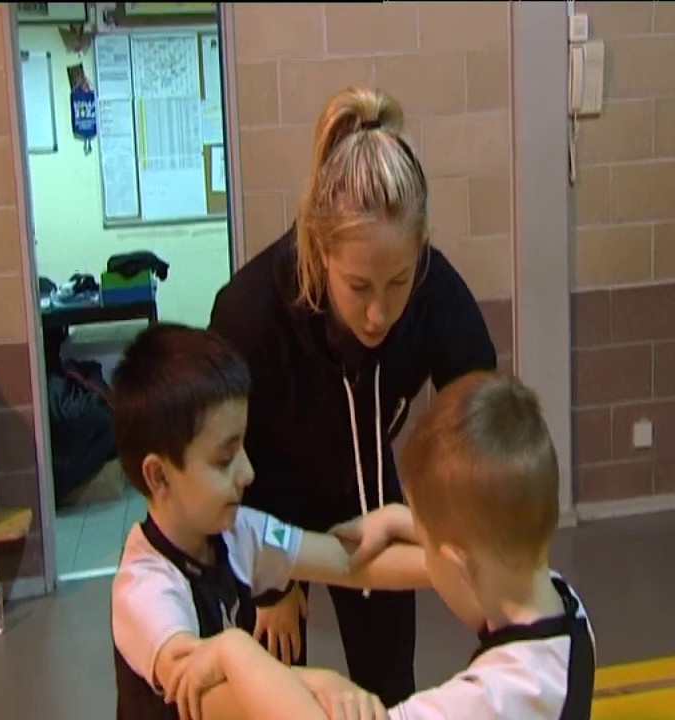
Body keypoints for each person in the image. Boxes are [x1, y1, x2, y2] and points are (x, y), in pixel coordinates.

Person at [207, 86, 497, 705]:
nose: (378, 312)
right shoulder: (249, 313)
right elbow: (220, 460)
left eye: (397, 282)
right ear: (319, 248)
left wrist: (463, 528)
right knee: (275, 688)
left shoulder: (435, 291)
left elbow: (483, 420)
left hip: (368, 493)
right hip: (268, 505)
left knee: (389, 682)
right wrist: (270, 584)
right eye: (358, 284)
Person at [166, 370, 597, 720]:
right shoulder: (563, 608)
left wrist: (235, 650)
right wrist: (402, 520)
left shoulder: (491, 700)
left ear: (459, 564)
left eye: (426, 546)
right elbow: (490, 542)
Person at [108, 322, 480, 720]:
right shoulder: (145, 591)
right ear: (159, 476)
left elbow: (349, 561)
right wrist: (321, 685)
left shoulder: (237, 532)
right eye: (224, 459)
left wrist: (461, 562)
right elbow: (206, 694)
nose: (248, 472)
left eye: (244, 449)